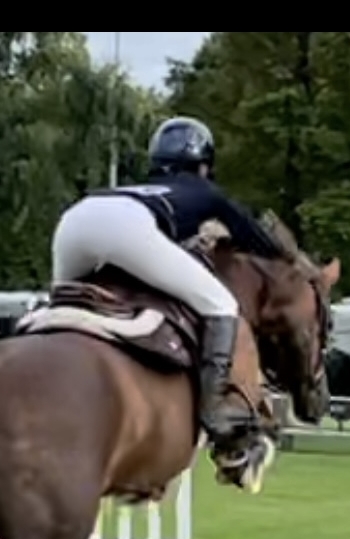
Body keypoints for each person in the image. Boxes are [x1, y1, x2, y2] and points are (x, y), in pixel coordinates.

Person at [51, 117, 284, 444]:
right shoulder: (204, 190)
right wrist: (284, 254)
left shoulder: (140, 187)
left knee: (60, 309)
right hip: (125, 227)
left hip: (74, 220)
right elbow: (257, 241)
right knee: (222, 304)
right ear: (203, 166)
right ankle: (214, 408)